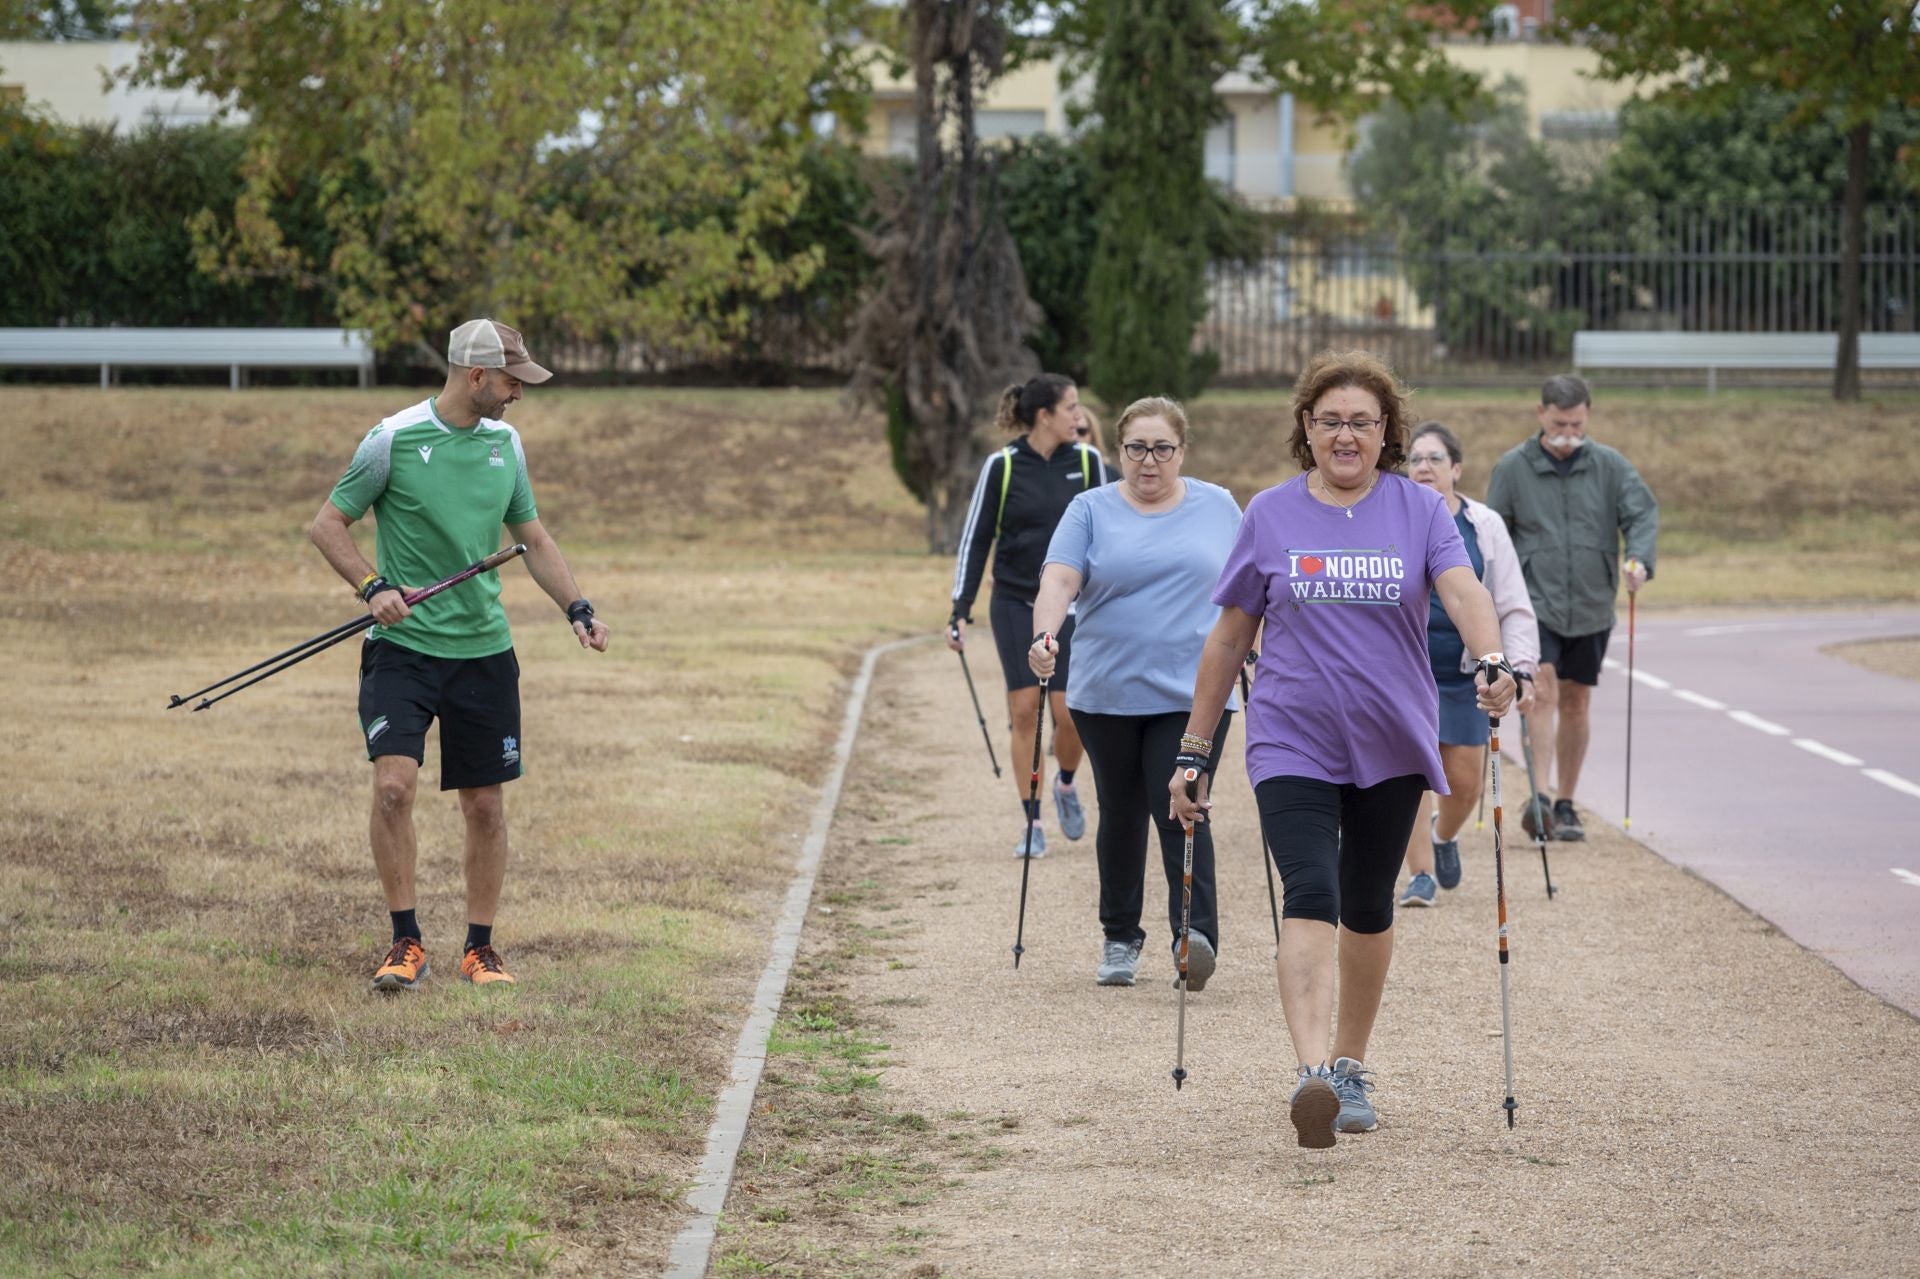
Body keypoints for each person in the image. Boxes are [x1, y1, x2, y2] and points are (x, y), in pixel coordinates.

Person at [1168, 349, 1516, 1150]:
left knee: (1367, 901)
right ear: (1306, 428)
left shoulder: (1420, 510)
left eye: (1363, 421)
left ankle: (1352, 1062)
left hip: (1392, 738)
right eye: (1331, 421)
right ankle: (1313, 1072)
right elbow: (1228, 639)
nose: (1347, 435)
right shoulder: (1271, 514)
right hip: (1292, 735)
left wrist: (1492, 658)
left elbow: (1465, 593)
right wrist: (1196, 747)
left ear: (1386, 429)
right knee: (1310, 888)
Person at [309, 318, 612, 994]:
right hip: (404, 651)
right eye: (511, 380)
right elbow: (327, 524)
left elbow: (531, 535)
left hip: (483, 653)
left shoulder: (506, 445)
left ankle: (480, 947)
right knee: (393, 788)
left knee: (485, 805)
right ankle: (405, 940)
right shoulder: (391, 440)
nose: (518, 394)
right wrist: (372, 585)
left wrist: (578, 607)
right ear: (476, 376)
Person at [1027, 397, 1242, 988]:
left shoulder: (1218, 505)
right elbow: (1060, 578)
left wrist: (1259, 639)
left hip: (1195, 692)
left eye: (1162, 449)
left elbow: (1249, 581)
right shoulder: (1089, 508)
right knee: (1121, 813)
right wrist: (1045, 635)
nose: (1150, 461)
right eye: (1137, 449)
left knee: (1182, 803)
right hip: (1107, 692)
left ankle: (1192, 939)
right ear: (1118, 450)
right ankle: (1120, 936)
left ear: (1182, 451)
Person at [1486, 375, 1658, 841]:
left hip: (1590, 600)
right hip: (1533, 600)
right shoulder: (1513, 468)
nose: (1568, 432)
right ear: (1541, 414)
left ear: (1588, 417)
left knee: (1577, 700)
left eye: (1577, 424)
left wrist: (1638, 559)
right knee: (1541, 690)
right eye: (1560, 423)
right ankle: (1539, 798)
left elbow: (1641, 514)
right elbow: (1491, 531)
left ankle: (1566, 803)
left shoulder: (1609, 466)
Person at [948, 374, 1109, 857]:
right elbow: (976, 539)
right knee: (1024, 711)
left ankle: (1063, 782)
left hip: (1074, 606)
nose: (1079, 418)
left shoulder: (1088, 462)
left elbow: (1112, 532)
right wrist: (960, 608)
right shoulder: (1001, 466)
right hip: (1016, 601)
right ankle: (1033, 822)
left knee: (1071, 714)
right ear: (1045, 416)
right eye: (1071, 408)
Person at [1398, 422, 1539, 907]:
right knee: (1412, 774)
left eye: (1435, 459)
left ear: (1456, 469)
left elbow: (1512, 602)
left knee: (1465, 783)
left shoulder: (1484, 525)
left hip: (1464, 675)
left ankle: (1443, 836)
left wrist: (1520, 667)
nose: (1423, 467)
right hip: (1405, 672)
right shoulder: (1391, 517)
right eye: (1415, 459)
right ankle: (1420, 874)